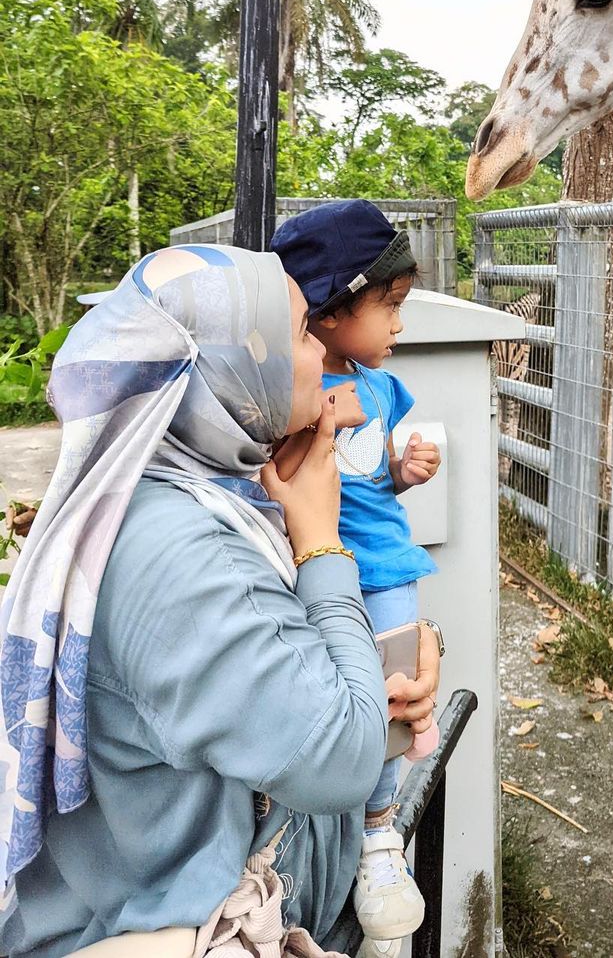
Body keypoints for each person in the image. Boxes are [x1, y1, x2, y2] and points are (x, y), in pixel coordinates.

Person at [0, 244, 440, 958]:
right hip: (166, 920)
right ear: (235, 368)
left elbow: (276, 661)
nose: (318, 354)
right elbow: (342, 760)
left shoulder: (207, 495)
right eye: (302, 332)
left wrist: (402, 656)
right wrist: (323, 543)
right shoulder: (185, 554)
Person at [271, 203, 443, 954]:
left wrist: (405, 473)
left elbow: (374, 483)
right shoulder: (294, 393)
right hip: (316, 572)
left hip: (387, 566)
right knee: (338, 698)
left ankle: (379, 837)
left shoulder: (382, 390)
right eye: (391, 306)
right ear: (333, 311)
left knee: (397, 691)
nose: (401, 326)